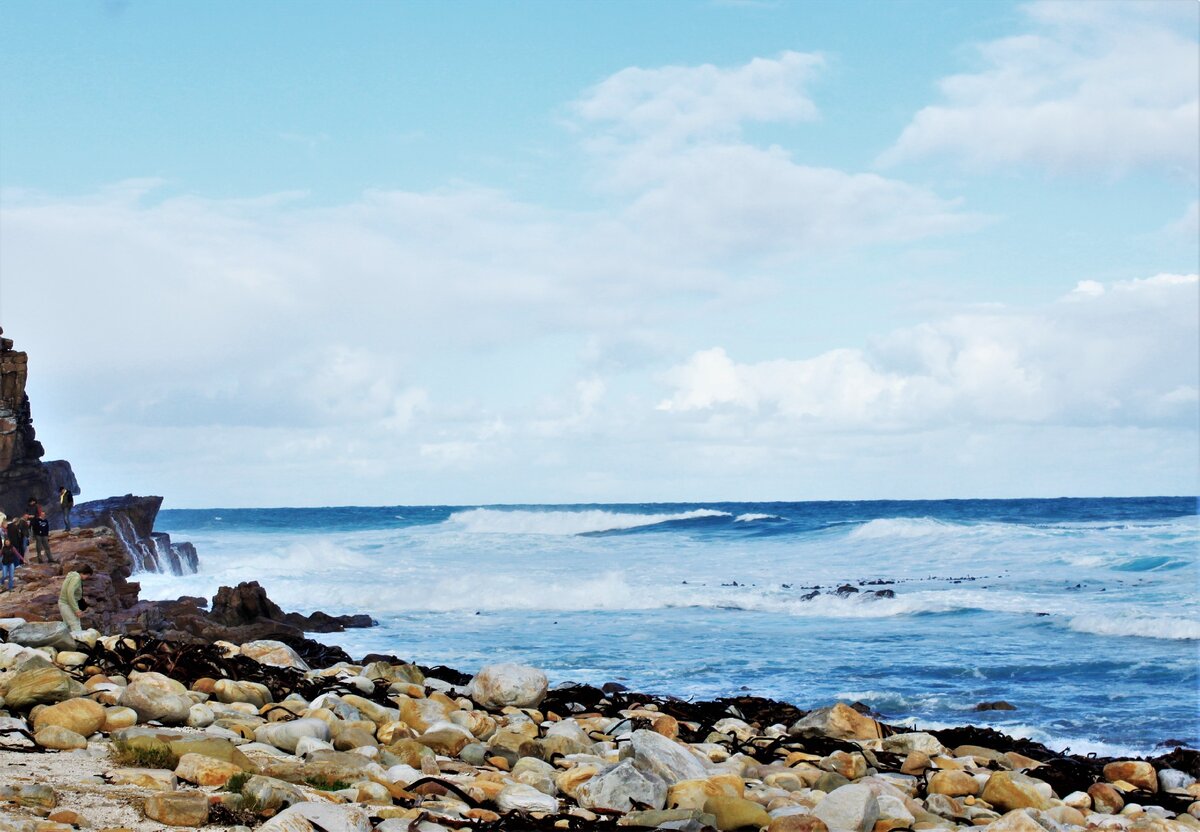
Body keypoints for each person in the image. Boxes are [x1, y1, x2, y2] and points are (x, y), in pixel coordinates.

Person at [59, 566, 90, 632]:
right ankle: (79, 641)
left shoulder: (72, 576)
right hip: (66, 604)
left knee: (67, 626)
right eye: (88, 575)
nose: (87, 577)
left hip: (64, 604)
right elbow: (70, 593)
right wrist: (76, 610)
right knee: (75, 625)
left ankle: (68, 641)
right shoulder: (76, 578)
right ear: (85, 573)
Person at [26, 499, 53, 564]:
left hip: (44, 535)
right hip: (39, 536)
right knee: (39, 548)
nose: (43, 515)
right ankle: (40, 560)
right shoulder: (37, 520)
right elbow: (34, 527)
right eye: (42, 514)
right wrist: (35, 535)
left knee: (47, 547)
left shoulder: (45, 521)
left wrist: (47, 535)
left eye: (44, 514)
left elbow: (47, 528)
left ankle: (50, 559)